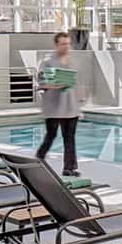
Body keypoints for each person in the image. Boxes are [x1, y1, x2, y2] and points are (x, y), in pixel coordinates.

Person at [36, 32, 81, 176]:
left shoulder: (74, 62)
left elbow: (76, 83)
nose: (66, 47)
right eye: (63, 44)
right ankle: (38, 159)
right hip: (54, 108)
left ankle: (69, 168)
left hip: (71, 107)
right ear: (56, 45)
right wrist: (56, 85)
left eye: (68, 44)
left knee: (70, 138)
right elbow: (42, 83)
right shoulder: (47, 63)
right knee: (51, 135)